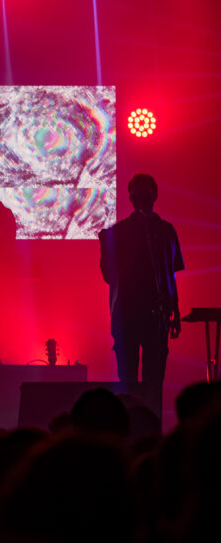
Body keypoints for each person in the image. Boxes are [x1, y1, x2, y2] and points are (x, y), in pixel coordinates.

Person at [99, 173, 184, 419]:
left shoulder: (166, 230)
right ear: (130, 197)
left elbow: (171, 275)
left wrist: (175, 310)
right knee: (128, 377)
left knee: (154, 377)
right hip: (127, 313)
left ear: (154, 196)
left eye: (145, 193)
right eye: (138, 193)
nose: (142, 198)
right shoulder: (118, 232)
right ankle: (130, 424)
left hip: (156, 314)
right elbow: (109, 274)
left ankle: (151, 424)